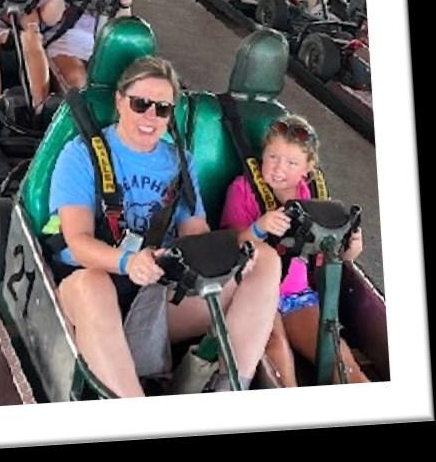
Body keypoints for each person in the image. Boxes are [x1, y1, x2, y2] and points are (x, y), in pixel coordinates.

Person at [45, 56, 281, 397]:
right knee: (94, 285)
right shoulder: (81, 155)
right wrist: (128, 263)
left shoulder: (179, 162)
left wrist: (233, 257)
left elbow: (195, 235)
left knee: (264, 259)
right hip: (89, 286)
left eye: (162, 109)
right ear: (120, 101)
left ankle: (228, 392)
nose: (150, 117)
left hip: (156, 294)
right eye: (140, 104)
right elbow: (78, 242)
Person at [220, 114, 368, 386]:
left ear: (307, 169)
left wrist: (349, 251)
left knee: (343, 364)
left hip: (298, 296)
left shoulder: (315, 196)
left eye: (291, 163)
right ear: (262, 155)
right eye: (273, 157)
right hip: (255, 295)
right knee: (277, 349)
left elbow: (328, 257)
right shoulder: (243, 190)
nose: (278, 168)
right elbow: (230, 244)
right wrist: (259, 228)